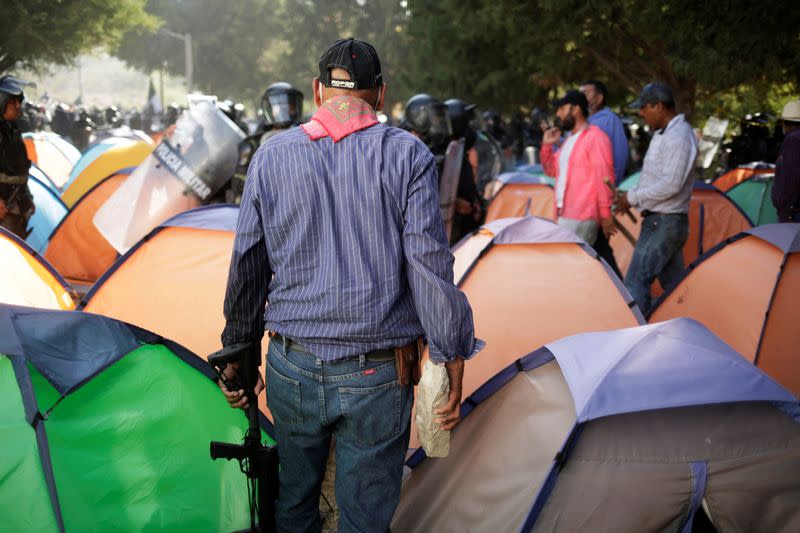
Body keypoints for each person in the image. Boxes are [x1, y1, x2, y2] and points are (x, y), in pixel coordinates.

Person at [219, 38, 482, 532]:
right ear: (380, 95)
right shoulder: (408, 156)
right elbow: (429, 266)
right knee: (364, 514)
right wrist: (450, 352)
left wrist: (239, 354)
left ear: (317, 91)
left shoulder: (272, 155)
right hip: (377, 376)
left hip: (291, 366)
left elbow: (248, 268)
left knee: (294, 501)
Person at [616, 82, 698, 314]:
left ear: (659, 106)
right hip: (662, 220)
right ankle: (684, 328)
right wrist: (631, 197)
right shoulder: (665, 133)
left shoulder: (678, 136)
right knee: (675, 289)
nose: (641, 113)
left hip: (664, 221)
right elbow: (655, 178)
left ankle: (635, 339)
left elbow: (671, 184)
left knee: (635, 283)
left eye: (644, 108)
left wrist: (632, 197)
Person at [540, 89, 615, 246]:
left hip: (582, 216)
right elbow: (552, 171)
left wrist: (605, 214)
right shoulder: (569, 140)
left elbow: (604, 177)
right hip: (564, 212)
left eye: (562, 108)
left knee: (569, 264)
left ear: (576, 109)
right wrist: (547, 146)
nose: (558, 114)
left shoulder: (596, 137)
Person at [580, 79, 629, 277]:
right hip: (582, 201)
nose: (581, 98)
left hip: (598, 198)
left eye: (587, 93)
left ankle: (621, 296)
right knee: (595, 250)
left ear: (599, 98)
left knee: (597, 249)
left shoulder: (609, 120)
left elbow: (618, 158)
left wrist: (608, 197)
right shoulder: (583, 121)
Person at [0, 75, 36, 238]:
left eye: (18, 101)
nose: (18, 106)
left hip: (17, 200)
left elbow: (19, 168)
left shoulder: (13, 128)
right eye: (13, 101)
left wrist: (27, 197)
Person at [772, 100, 800, 222]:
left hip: (794, 212)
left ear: (784, 123)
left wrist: (785, 211)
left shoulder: (793, 141)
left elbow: (790, 179)